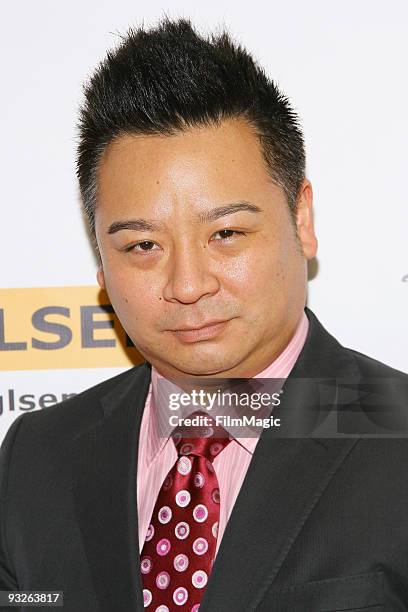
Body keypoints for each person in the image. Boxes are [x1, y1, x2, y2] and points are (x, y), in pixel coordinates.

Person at [1, 17, 407, 612]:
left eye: (226, 233)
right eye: (142, 246)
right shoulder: (37, 458)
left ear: (302, 221)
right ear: (101, 265)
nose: (187, 285)